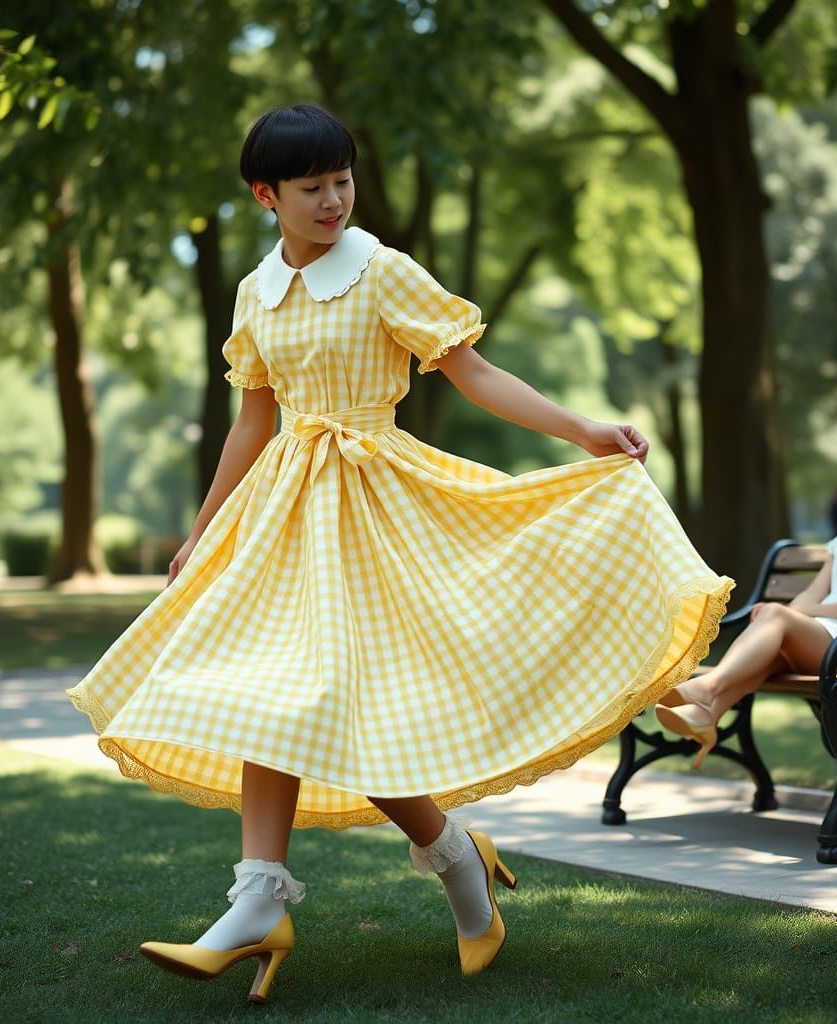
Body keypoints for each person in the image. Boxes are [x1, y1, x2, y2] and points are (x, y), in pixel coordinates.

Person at [67, 103, 732, 1002]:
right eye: (312, 187)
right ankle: (272, 897)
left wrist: (580, 429)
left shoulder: (381, 270)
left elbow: (472, 371)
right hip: (285, 517)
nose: (334, 199)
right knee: (273, 695)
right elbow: (253, 421)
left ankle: (442, 866)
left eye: (342, 180)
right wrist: (201, 529)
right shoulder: (256, 291)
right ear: (266, 195)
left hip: (380, 505)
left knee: (354, 711)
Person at [656, 424, 837, 769]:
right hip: (824, 638)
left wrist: (802, 612)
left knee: (778, 618)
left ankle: (708, 689)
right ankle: (707, 715)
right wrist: (777, 615)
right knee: (773, 630)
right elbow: (812, 594)